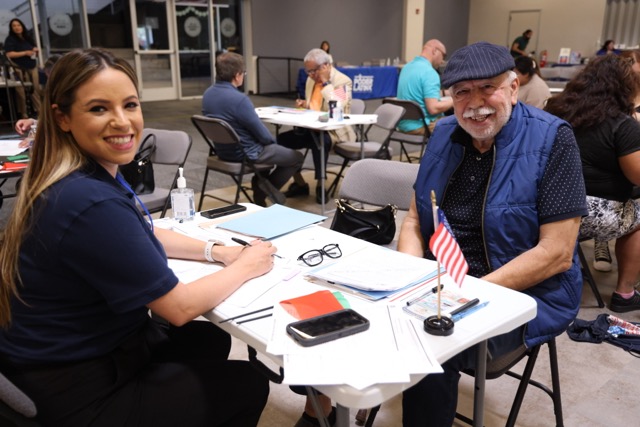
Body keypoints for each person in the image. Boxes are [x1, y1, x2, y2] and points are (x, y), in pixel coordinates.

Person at [0, 48, 272, 426]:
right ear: (62, 117)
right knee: (246, 383)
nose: (122, 122)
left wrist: (216, 251)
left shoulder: (76, 174)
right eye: (99, 109)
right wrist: (246, 265)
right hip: (75, 388)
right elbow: (178, 309)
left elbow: (142, 231)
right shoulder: (89, 201)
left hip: (53, 357)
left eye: (130, 105)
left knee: (211, 341)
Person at [398, 42, 587, 426]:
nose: (475, 102)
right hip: (446, 279)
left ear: (513, 87)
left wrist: (470, 293)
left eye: (488, 87)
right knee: (372, 311)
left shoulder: (553, 139)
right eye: (462, 92)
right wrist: (409, 278)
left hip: (530, 289)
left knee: (432, 341)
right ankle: (326, 407)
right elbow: (416, 220)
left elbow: (557, 253)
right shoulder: (444, 132)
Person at [545, 54, 640, 312]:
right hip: (591, 213)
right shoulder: (623, 125)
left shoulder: (555, 110)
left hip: (549, 206)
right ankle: (625, 293)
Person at [202, 52, 303, 206]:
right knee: (295, 157)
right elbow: (263, 136)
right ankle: (262, 188)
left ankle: (261, 185)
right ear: (237, 75)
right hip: (246, 153)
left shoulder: (207, 95)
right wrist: (273, 143)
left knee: (270, 150)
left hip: (222, 151)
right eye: (243, 73)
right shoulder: (240, 100)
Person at [278, 48, 356, 203]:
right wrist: (305, 104)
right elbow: (317, 107)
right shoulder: (310, 80)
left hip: (334, 132)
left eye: (313, 71)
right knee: (281, 140)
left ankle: (321, 184)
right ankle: (299, 183)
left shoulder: (343, 81)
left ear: (325, 66)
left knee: (319, 142)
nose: (310, 75)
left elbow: (337, 107)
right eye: (307, 72)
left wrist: (326, 83)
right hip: (310, 128)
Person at [396, 39, 453, 135]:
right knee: (460, 123)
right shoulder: (430, 73)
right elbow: (433, 108)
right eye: (443, 55)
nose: (443, 61)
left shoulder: (406, 68)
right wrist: (454, 100)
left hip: (402, 124)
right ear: (435, 51)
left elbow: (419, 92)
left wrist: (444, 93)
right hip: (422, 126)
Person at [15, 54, 62, 147]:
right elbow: (53, 120)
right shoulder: (55, 93)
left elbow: (63, 126)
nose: (49, 82)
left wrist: (38, 138)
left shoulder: (70, 96)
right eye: (48, 77)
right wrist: (33, 122)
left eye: (51, 77)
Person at [3, 18, 42, 119]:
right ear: (11, 28)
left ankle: (39, 111)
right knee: (21, 92)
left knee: (35, 89)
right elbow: (9, 54)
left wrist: (35, 51)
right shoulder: (10, 39)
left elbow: (34, 50)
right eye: (14, 26)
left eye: (18, 25)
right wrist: (25, 52)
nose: (17, 27)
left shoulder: (28, 38)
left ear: (22, 26)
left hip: (32, 66)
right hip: (18, 68)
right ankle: (24, 114)